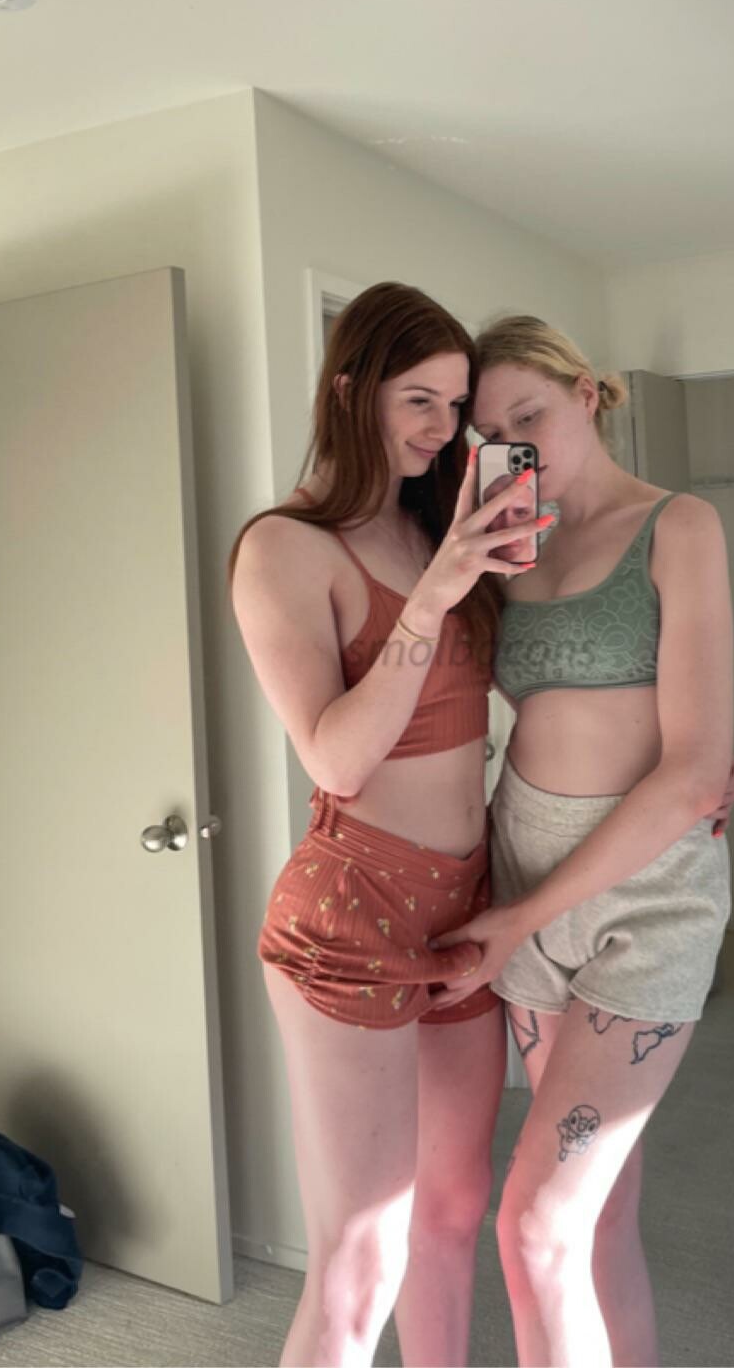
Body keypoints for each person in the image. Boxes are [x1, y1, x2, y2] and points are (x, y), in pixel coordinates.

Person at [229, 282, 540, 1366]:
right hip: (350, 911)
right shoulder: (285, 547)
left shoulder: (434, 527)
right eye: (420, 400)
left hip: (466, 908)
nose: (444, 429)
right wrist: (434, 594)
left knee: (451, 1212)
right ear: (350, 388)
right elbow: (336, 757)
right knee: (358, 1257)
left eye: (456, 407)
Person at [428, 316, 734, 1366]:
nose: (515, 445)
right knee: (596, 1216)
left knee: (535, 1224)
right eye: (490, 434)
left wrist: (518, 916)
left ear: (587, 394)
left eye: (531, 417)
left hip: (644, 899)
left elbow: (694, 771)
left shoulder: (678, 524)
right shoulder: (505, 544)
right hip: (523, 869)